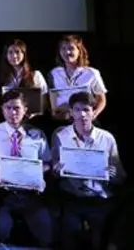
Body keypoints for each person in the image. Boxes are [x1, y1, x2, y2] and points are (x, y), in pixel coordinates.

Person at [53, 92, 126, 250]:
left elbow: (121, 177)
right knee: (69, 237)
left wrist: (113, 175)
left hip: (99, 199)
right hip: (71, 198)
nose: (82, 115)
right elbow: (54, 172)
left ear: (94, 112)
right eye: (77, 110)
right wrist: (56, 171)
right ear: (71, 112)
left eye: (86, 109)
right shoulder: (60, 136)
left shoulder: (107, 138)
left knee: (100, 240)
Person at [0, 90, 54, 247]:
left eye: (16, 108)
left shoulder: (37, 134)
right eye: (8, 108)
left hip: (31, 194)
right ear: (2, 110)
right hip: (4, 195)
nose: (12, 113)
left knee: (47, 235)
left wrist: (38, 174)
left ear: (25, 110)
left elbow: (47, 163)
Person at [48, 35, 107, 122]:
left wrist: (94, 114)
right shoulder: (54, 73)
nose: (67, 52)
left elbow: (101, 99)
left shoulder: (91, 73)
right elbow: (53, 100)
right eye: (63, 49)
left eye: (71, 48)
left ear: (79, 51)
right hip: (62, 121)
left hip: (86, 120)